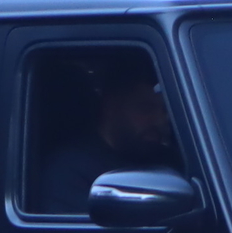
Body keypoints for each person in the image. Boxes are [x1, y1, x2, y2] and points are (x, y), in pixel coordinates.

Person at [35, 63, 181, 213]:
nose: (160, 121)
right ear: (111, 107)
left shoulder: (171, 161)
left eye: (164, 110)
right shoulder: (69, 172)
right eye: (146, 109)